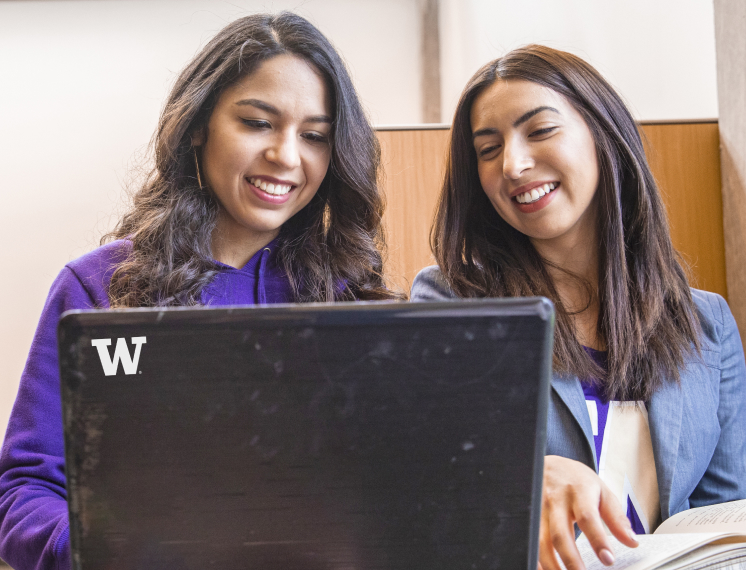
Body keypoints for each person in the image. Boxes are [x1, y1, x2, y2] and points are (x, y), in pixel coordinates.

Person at [0, 12, 401, 570]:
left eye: (314, 136)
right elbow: (25, 492)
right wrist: (113, 546)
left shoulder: (351, 297)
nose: (287, 155)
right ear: (198, 127)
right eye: (258, 123)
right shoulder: (98, 288)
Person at [411, 45, 746, 570]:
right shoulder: (451, 301)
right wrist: (529, 473)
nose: (514, 164)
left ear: (603, 136)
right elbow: (439, 477)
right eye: (488, 148)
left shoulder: (708, 325)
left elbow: (725, 523)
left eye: (540, 131)